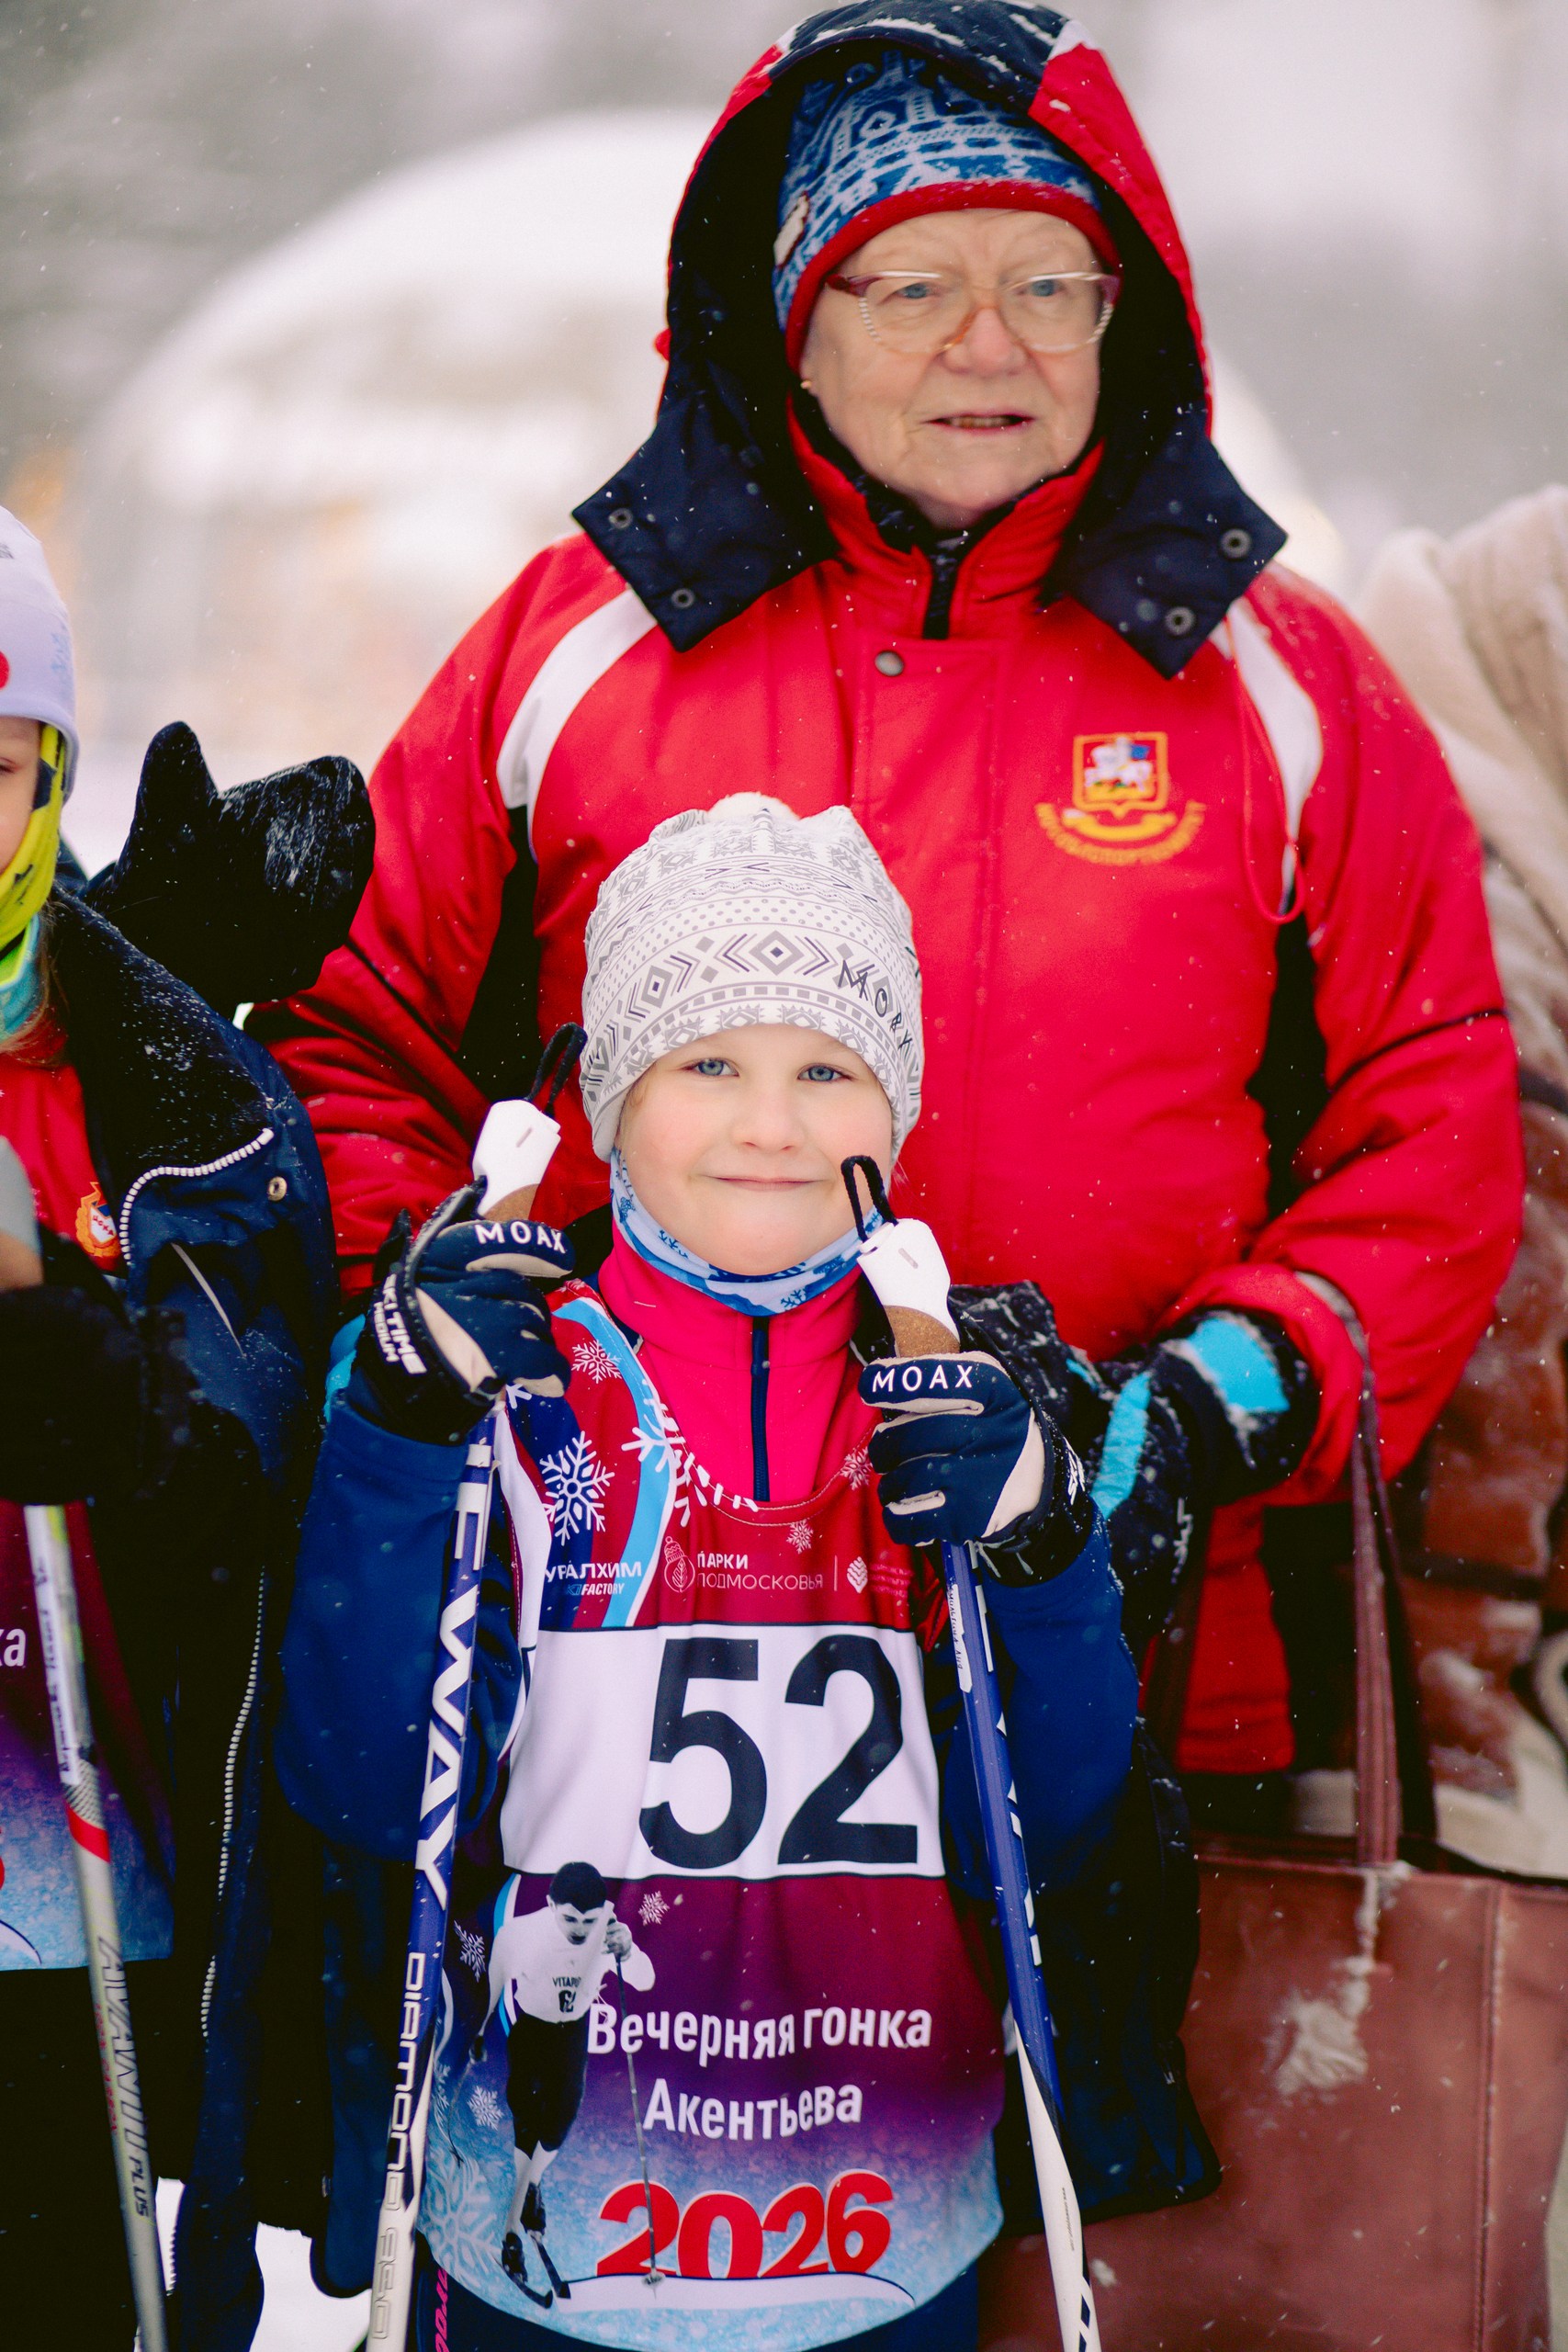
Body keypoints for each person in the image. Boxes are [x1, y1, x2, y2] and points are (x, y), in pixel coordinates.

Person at [255, 4, 1519, 1848]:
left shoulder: (1282, 678)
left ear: (1127, 315)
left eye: (1047, 286)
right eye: (909, 285)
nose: (986, 345)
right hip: (622, 1627)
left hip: (1154, 1644)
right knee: (652, 2050)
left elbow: (1431, 1117)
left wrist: (1206, 1409)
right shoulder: (579, 642)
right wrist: (440, 1310)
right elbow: (352, 1031)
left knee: (1110, 2043)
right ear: (794, 315)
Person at [276, 795, 1207, 2351]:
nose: (770, 1126)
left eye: (826, 1070)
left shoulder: (959, 1402)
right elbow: (367, 1789)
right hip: (546, 2251)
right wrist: (396, 1428)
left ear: (894, 1110)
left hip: (885, 2240)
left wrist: (1037, 1540)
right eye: (705, 1063)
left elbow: (1051, 1827)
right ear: (609, 1101)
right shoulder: (513, 1378)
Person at [0, 507, 353, 2348]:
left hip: (67, 1877)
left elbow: (250, 1485)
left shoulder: (158, 1086)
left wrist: (106, 1394)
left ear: (49, 778)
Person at [1355, 486, 1568, 1868]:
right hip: (1439, 1719)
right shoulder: (1492, 939)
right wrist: (1466, 1745)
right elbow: (1477, 1415)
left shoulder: (1373, 808)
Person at [478, 1862, 655, 2283]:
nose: (579, 1929)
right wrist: (480, 2030)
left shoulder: (607, 1930)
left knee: (560, 2121)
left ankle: (531, 2185)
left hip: (573, 2034)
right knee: (527, 2121)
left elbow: (646, 1980)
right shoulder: (522, 1934)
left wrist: (628, 1950)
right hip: (532, 2030)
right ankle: (511, 2229)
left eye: (588, 1921)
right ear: (551, 1905)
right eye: (570, 1919)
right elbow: (494, 1981)